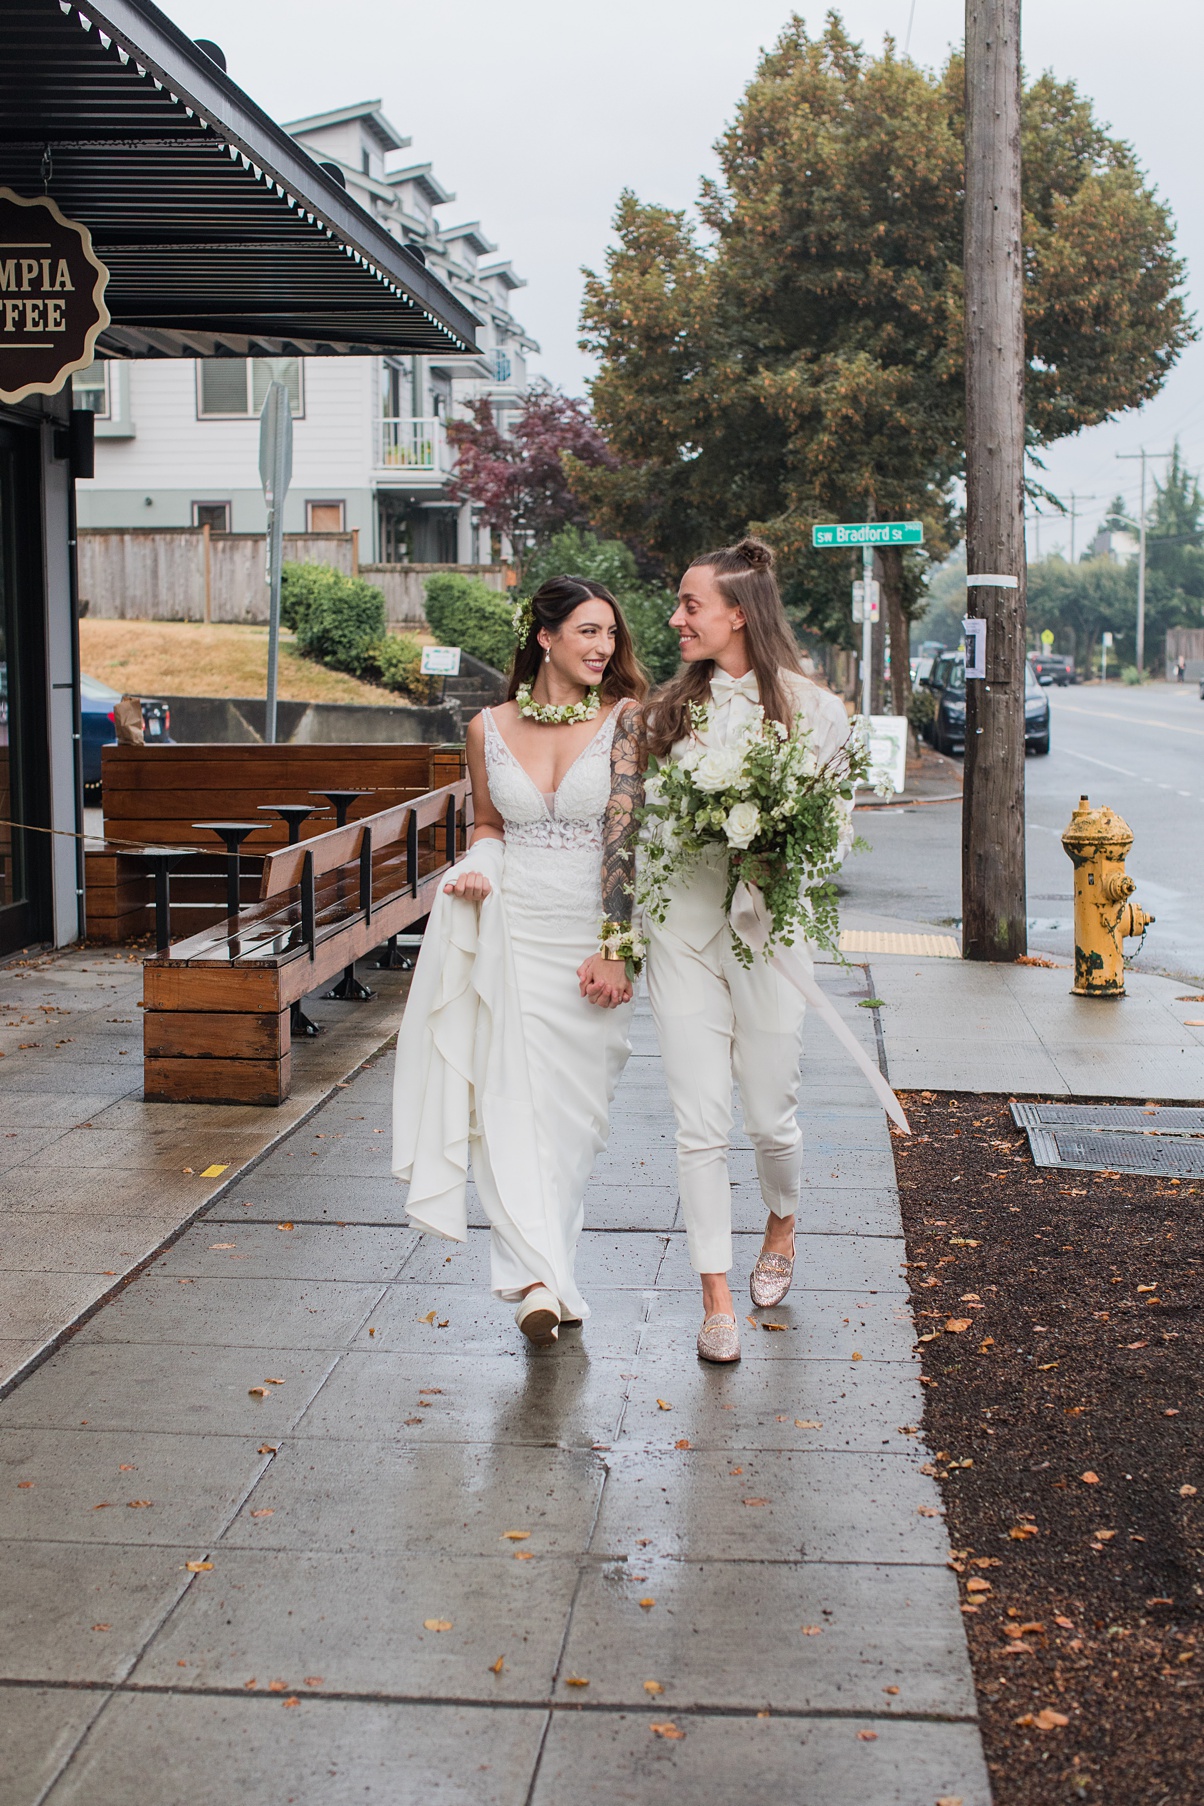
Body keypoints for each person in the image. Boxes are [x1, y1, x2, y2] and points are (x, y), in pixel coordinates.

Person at [392, 576, 647, 1346]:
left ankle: (551, 1275)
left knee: (572, 1127)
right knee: (508, 1108)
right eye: (588, 631)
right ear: (546, 637)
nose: (603, 646)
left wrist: (618, 947)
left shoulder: (625, 720)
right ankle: (537, 1281)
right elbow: (489, 827)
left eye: (610, 633)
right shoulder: (486, 728)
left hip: (591, 948)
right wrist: (476, 869)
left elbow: (629, 841)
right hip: (512, 936)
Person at [643, 537, 852, 1364]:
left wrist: (776, 851)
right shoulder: (665, 713)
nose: (676, 618)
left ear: (737, 613)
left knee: (769, 1116)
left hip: (772, 932)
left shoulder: (816, 710)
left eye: (689, 605)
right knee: (698, 1122)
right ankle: (716, 1297)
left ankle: (782, 1221)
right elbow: (646, 826)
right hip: (682, 932)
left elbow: (835, 836)